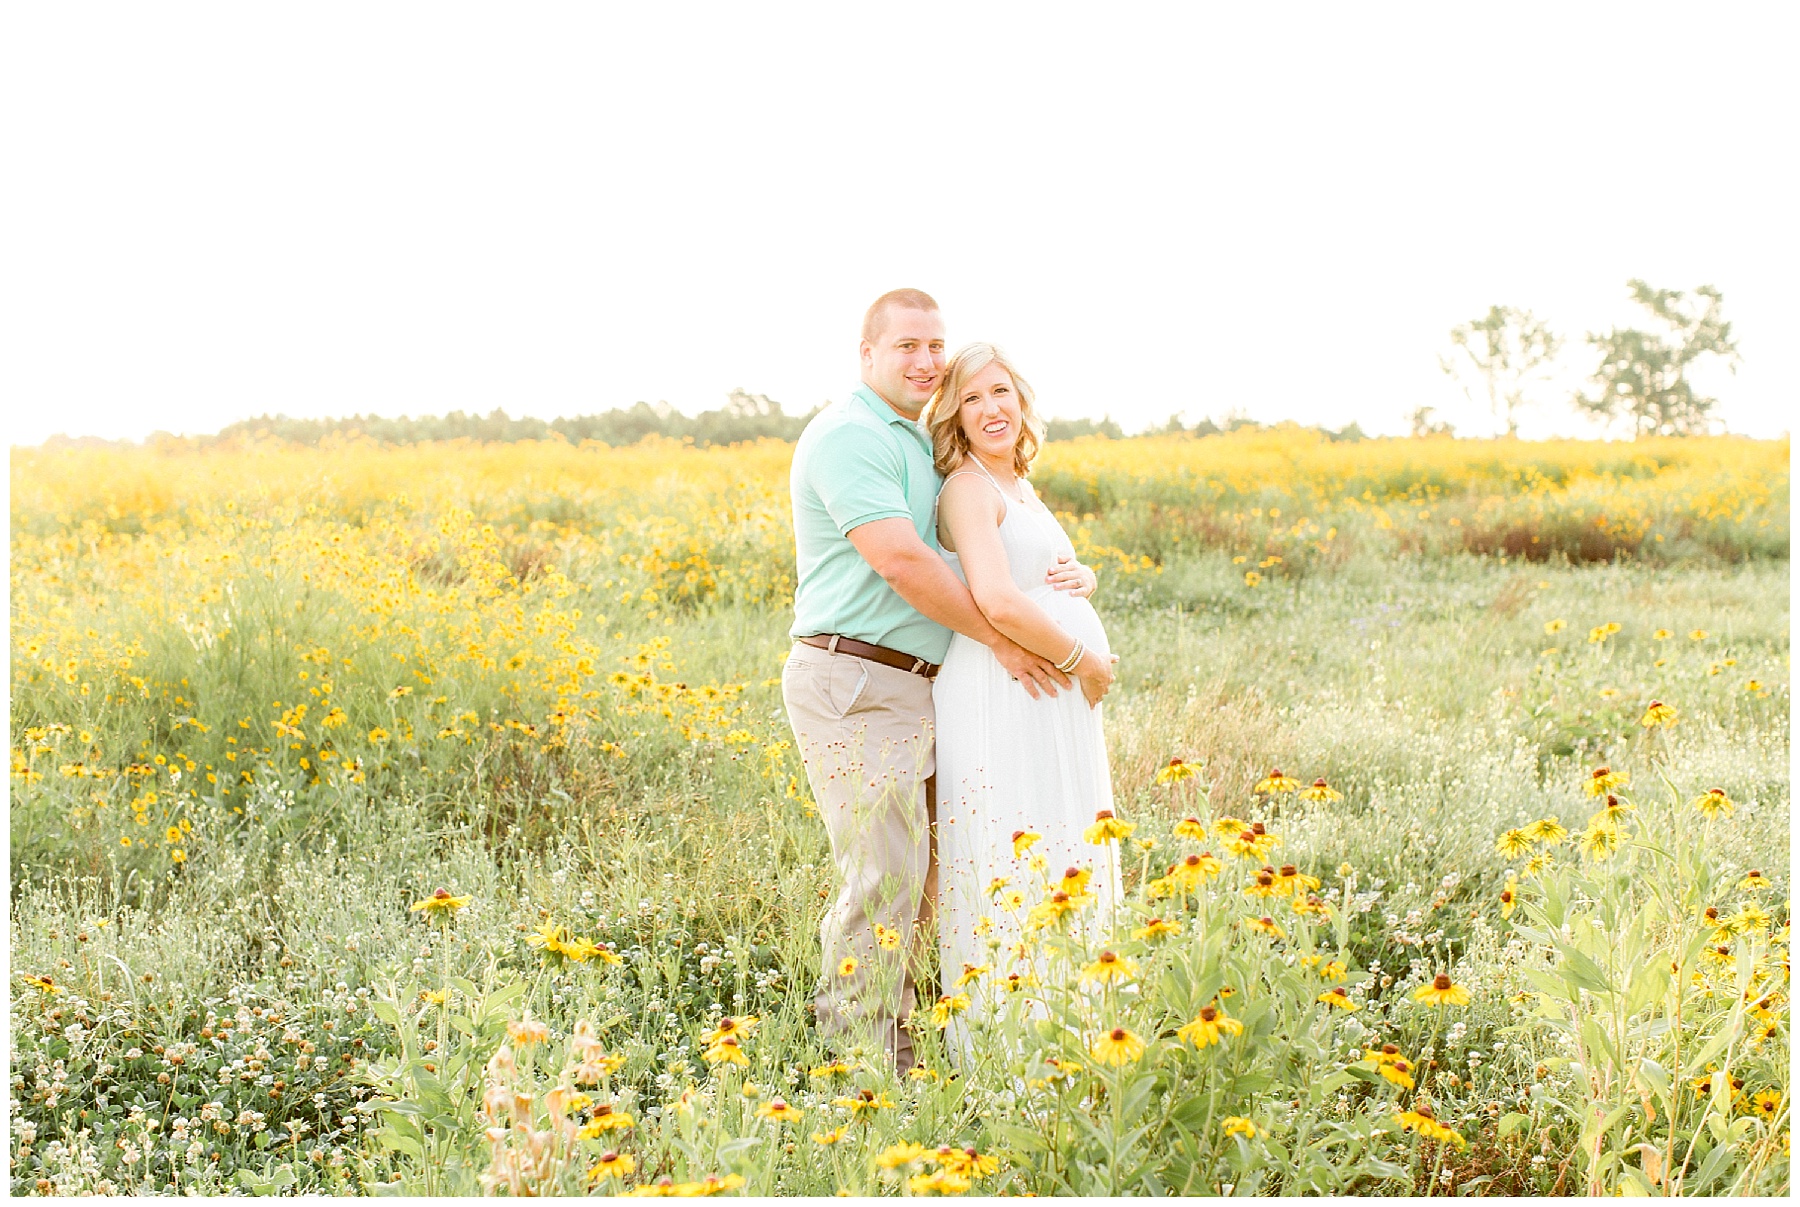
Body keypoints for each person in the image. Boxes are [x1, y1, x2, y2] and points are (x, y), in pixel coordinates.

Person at [782, 289, 1096, 1074]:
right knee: (883, 875)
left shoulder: (915, 443)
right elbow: (903, 561)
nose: (925, 360)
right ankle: (862, 1066)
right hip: (855, 675)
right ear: (867, 354)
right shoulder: (852, 435)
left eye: (934, 346)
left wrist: (1057, 583)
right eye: (906, 347)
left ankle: (911, 1036)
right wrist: (1010, 638)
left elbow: (971, 553)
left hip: (917, 682)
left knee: (926, 879)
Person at [925, 342, 1120, 1061]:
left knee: (1059, 840)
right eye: (971, 399)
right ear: (954, 416)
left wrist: (1081, 577)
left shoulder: (1017, 481)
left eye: (1000, 391)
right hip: (1003, 692)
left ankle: (1075, 1031)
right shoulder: (967, 487)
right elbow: (996, 596)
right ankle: (1010, 1060)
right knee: (1014, 849)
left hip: (1041, 697)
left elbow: (1033, 574)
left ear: (1021, 398)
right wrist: (1084, 659)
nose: (990, 409)